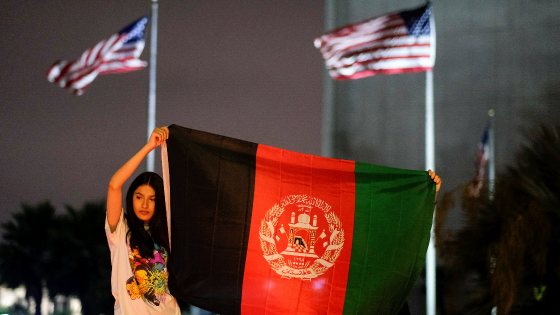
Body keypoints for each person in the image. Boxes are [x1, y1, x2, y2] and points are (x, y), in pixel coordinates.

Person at [105, 126, 181, 315]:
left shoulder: (168, 233)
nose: (144, 204)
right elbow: (114, 185)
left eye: (152, 199)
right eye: (139, 197)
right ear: (131, 198)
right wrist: (149, 147)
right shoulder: (120, 230)